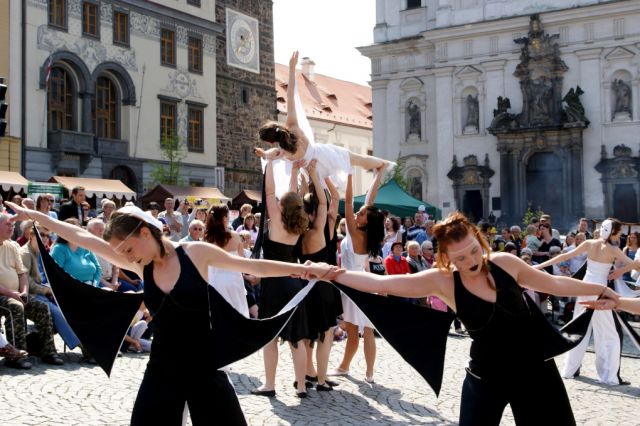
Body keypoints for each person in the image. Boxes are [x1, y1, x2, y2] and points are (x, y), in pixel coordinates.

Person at [5, 200, 329, 425]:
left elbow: (249, 265)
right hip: (163, 367)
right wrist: (36, 217)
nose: (128, 258)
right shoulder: (139, 263)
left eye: (129, 249)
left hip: (204, 365)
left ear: (145, 233)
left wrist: (302, 270)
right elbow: (82, 237)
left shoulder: (195, 254)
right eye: (124, 254)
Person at [318, 211, 620, 425]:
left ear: (479, 240)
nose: (471, 261)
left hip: (534, 369)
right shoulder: (443, 281)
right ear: (447, 258)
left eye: (474, 251)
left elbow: (552, 284)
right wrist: (331, 273)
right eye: (460, 258)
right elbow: (382, 285)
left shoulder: (505, 263)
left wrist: (597, 287)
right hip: (486, 376)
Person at [255, 51, 391, 197]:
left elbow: (274, 153)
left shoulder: (284, 150)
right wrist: (292, 69)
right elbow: (290, 95)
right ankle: (383, 164)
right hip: (323, 155)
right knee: (357, 159)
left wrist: (264, 154)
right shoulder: (292, 125)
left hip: (312, 171)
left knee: (315, 197)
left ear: (271, 141)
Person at [534, 218, 634, 385]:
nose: (620, 235)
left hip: (584, 288)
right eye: (618, 232)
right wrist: (621, 271)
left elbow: (565, 255)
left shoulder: (589, 243)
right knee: (609, 335)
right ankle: (609, 377)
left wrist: (538, 267)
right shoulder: (613, 249)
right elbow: (636, 265)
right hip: (599, 291)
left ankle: (570, 370)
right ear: (612, 232)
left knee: (578, 329)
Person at [329, 168, 385, 384]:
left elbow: (350, 202)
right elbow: (368, 200)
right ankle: (368, 373)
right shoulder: (368, 233)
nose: (357, 214)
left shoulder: (356, 232)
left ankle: (345, 367)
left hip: (352, 284)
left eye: (361, 214)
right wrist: (378, 175)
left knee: (354, 332)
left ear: (364, 221)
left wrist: (351, 175)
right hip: (364, 282)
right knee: (367, 331)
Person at [0, 213, 64, 368]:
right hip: (3, 295)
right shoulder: (22, 249)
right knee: (15, 307)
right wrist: (13, 294)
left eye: (13, 225)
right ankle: (16, 356)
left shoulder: (12, 245)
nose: (12, 227)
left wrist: (23, 291)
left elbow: (22, 273)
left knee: (43, 308)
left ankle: (48, 351)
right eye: (8, 224)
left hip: (17, 293)